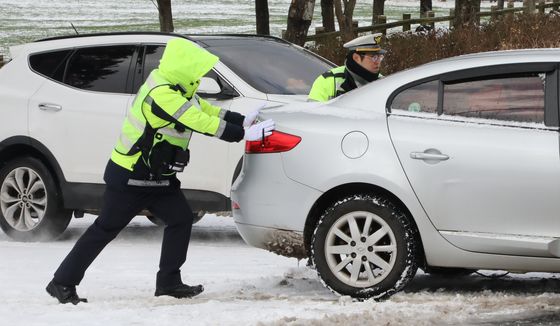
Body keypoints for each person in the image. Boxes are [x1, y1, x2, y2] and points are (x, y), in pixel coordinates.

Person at [45, 38, 274, 304]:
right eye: (197, 70)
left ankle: (168, 282)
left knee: (180, 219)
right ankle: (62, 282)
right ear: (183, 68)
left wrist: (241, 118)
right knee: (105, 229)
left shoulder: (178, 89)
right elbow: (197, 120)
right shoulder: (162, 94)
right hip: (131, 177)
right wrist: (244, 134)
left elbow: (207, 110)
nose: (200, 75)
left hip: (157, 178)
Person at [308, 33, 386, 102]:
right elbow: (313, 115)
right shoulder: (328, 80)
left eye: (380, 57)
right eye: (374, 57)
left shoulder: (383, 82)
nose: (378, 61)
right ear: (356, 58)